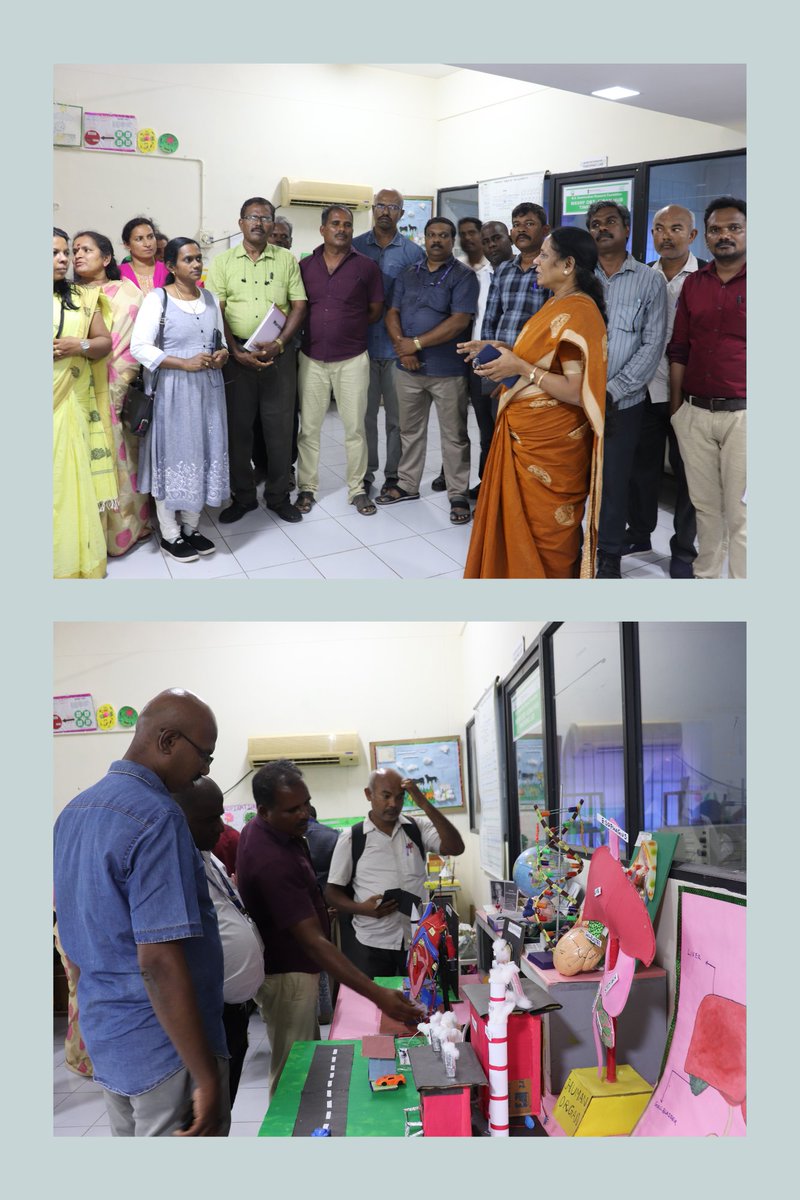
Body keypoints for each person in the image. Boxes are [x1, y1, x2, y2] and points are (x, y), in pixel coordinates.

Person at [53, 689, 230, 1137]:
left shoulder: (73, 813)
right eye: (204, 754)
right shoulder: (158, 817)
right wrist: (206, 1075)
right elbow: (158, 960)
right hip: (166, 1044)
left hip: (108, 1032)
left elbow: (74, 935)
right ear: (168, 740)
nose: (207, 768)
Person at [235, 760, 422, 1098]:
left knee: (305, 1062)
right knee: (294, 1072)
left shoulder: (277, 832)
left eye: (306, 803)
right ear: (264, 810)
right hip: (289, 974)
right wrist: (377, 994)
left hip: (296, 967)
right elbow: (314, 942)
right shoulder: (271, 859)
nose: (305, 813)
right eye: (293, 809)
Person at [460, 226, 607, 578]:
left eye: (544, 255)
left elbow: (575, 390)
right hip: (524, 435)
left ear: (568, 264)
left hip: (551, 445)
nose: (536, 262)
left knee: (548, 538)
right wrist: (501, 349)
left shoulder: (580, 312)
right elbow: (541, 359)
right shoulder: (556, 303)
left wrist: (519, 366)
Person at [207, 197, 307, 525]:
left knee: (280, 430)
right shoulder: (222, 262)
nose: (258, 223)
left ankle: (279, 496)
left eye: (265, 218)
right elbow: (216, 310)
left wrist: (279, 343)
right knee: (239, 431)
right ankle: (244, 497)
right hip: (237, 359)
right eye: (252, 217)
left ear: (272, 223)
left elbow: (299, 305)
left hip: (279, 359)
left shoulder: (286, 260)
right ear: (241, 223)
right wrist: (235, 351)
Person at [131, 238, 230, 563]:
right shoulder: (157, 299)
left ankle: (192, 526)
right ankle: (170, 533)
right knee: (172, 458)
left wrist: (221, 356)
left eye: (199, 258)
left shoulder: (211, 299)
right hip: (173, 391)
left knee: (202, 453)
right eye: (188, 259)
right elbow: (140, 348)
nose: (197, 264)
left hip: (208, 390)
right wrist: (183, 362)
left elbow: (221, 343)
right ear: (171, 266)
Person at [378, 217, 479, 524]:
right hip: (408, 369)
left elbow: (460, 320)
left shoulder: (464, 276)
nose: (437, 240)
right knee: (409, 431)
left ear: (453, 241)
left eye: (444, 236)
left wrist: (416, 344)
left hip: (447, 370)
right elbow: (392, 312)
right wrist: (402, 347)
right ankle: (407, 484)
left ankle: (457, 492)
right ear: (424, 239)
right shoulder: (409, 274)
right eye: (432, 235)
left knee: (455, 435)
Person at [587, 200, 667, 578]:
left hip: (624, 401)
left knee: (614, 481)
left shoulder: (650, 280)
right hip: (574, 397)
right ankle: (575, 545)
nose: (602, 228)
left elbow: (653, 345)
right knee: (573, 475)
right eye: (595, 224)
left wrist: (612, 390)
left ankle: (609, 555)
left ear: (626, 228)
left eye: (610, 222)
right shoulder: (577, 275)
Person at [174, 778, 265, 1107]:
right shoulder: (173, 869)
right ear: (178, 818)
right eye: (210, 818)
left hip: (235, 1010)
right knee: (209, 1108)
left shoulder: (209, 858)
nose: (221, 826)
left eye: (221, 815)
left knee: (224, 1104)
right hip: (209, 1014)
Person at [668, 197, 747, 579]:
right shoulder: (694, 285)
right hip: (695, 413)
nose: (724, 236)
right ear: (706, 235)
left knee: (741, 513)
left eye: (734, 228)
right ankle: (708, 580)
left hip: (745, 415)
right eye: (716, 229)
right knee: (705, 506)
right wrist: (677, 410)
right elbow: (679, 348)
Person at [623, 206, 703, 577]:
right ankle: (639, 533)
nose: (666, 235)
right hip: (647, 388)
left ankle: (684, 551)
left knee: (690, 477)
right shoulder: (641, 276)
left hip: (692, 394)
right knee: (642, 470)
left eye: (676, 228)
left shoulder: (705, 276)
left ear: (693, 235)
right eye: (658, 228)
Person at [325, 768, 465, 979]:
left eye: (399, 797)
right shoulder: (352, 838)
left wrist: (424, 804)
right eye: (386, 796)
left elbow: (455, 847)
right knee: (375, 1008)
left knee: (422, 1004)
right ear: (368, 794)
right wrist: (362, 909)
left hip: (418, 940)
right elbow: (332, 893)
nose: (393, 804)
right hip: (372, 944)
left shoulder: (416, 827)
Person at [295, 205, 384, 517]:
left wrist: (347, 327)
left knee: (355, 428)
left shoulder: (368, 267)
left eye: (347, 224)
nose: (342, 229)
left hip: (352, 359)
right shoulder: (305, 266)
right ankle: (307, 487)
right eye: (335, 224)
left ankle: (357, 489)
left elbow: (374, 311)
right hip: (311, 358)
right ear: (322, 229)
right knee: (309, 429)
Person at [72, 230, 152, 556]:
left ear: (106, 258)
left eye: (86, 249)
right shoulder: (68, 294)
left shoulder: (126, 292)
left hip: (113, 390)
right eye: (75, 249)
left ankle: (125, 532)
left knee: (123, 462)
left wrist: (113, 388)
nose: (78, 255)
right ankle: (87, 536)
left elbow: (133, 347)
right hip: (74, 391)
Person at [353, 189, 425, 497]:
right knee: (364, 417)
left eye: (393, 207)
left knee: (399, 419)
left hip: (398, 351)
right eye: (380, 205)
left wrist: (414, 346)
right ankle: (366, 473)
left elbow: (419, 304)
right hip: (360, 348)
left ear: (401, 213)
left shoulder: (413, 254)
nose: (386, 211)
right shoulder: (354, 248)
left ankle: (394, 475)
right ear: (372, 208)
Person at [52, 227, 115, 579]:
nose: (63, 259)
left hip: (71, 402)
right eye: (54, 253)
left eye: (65, 253)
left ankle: (72, 562)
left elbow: (104, 342)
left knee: (68, 483)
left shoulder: (82, 296)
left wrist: (81, 346)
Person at [119, 217, 169, 295]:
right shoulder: (118, 273)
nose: (147, 244)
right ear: (127, 244)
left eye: (150, 237)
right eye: (139, 239)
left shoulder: (169, 269)